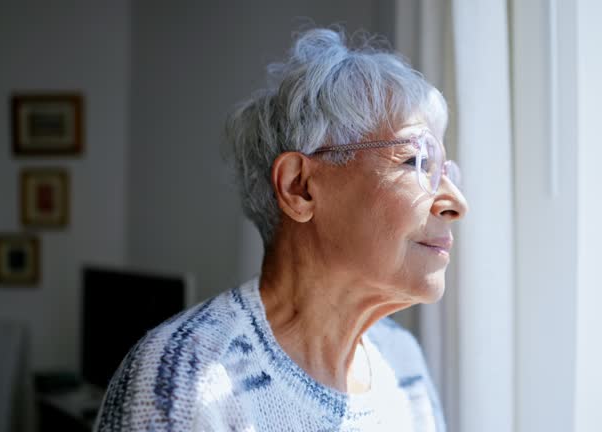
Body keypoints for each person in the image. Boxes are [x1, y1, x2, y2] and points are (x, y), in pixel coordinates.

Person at [94, 27, 467, 432]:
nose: (455, 203)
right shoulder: (183, 380)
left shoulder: (402, 360)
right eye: (416, 162)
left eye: (446, 171)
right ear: (299, 187)